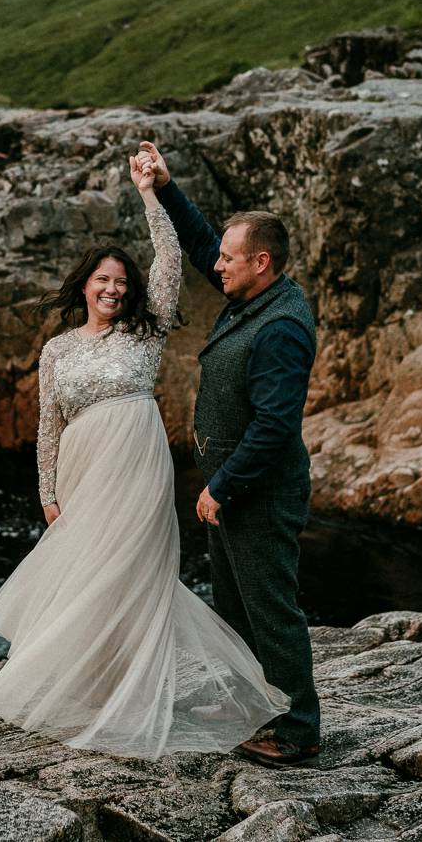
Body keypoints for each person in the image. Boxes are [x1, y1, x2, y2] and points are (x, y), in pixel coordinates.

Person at [0, 150, 288, 760]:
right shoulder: (59, 350)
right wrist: (48, 494)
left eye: (122, 281)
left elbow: (170, 258)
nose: (114, 288)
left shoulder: (145, 329)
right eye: (104, 280)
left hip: (137, 463)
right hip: (82, 468)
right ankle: (92, 686)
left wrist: (150, 194)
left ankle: (135, 692)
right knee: (86, 573)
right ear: (86, 286)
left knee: (133, 571)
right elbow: (48, 427)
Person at [139, 139, 322, 768]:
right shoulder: (253, 293)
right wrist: (165, 186)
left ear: (262, 261)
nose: (218, 264)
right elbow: (201, 242)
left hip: (259, 489)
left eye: (230, 257)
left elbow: (274, 426)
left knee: (271, 608)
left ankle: (297, 728)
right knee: (235, 604)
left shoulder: (281, 326)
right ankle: (251, 704)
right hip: (235, 484)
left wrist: (221, 487)